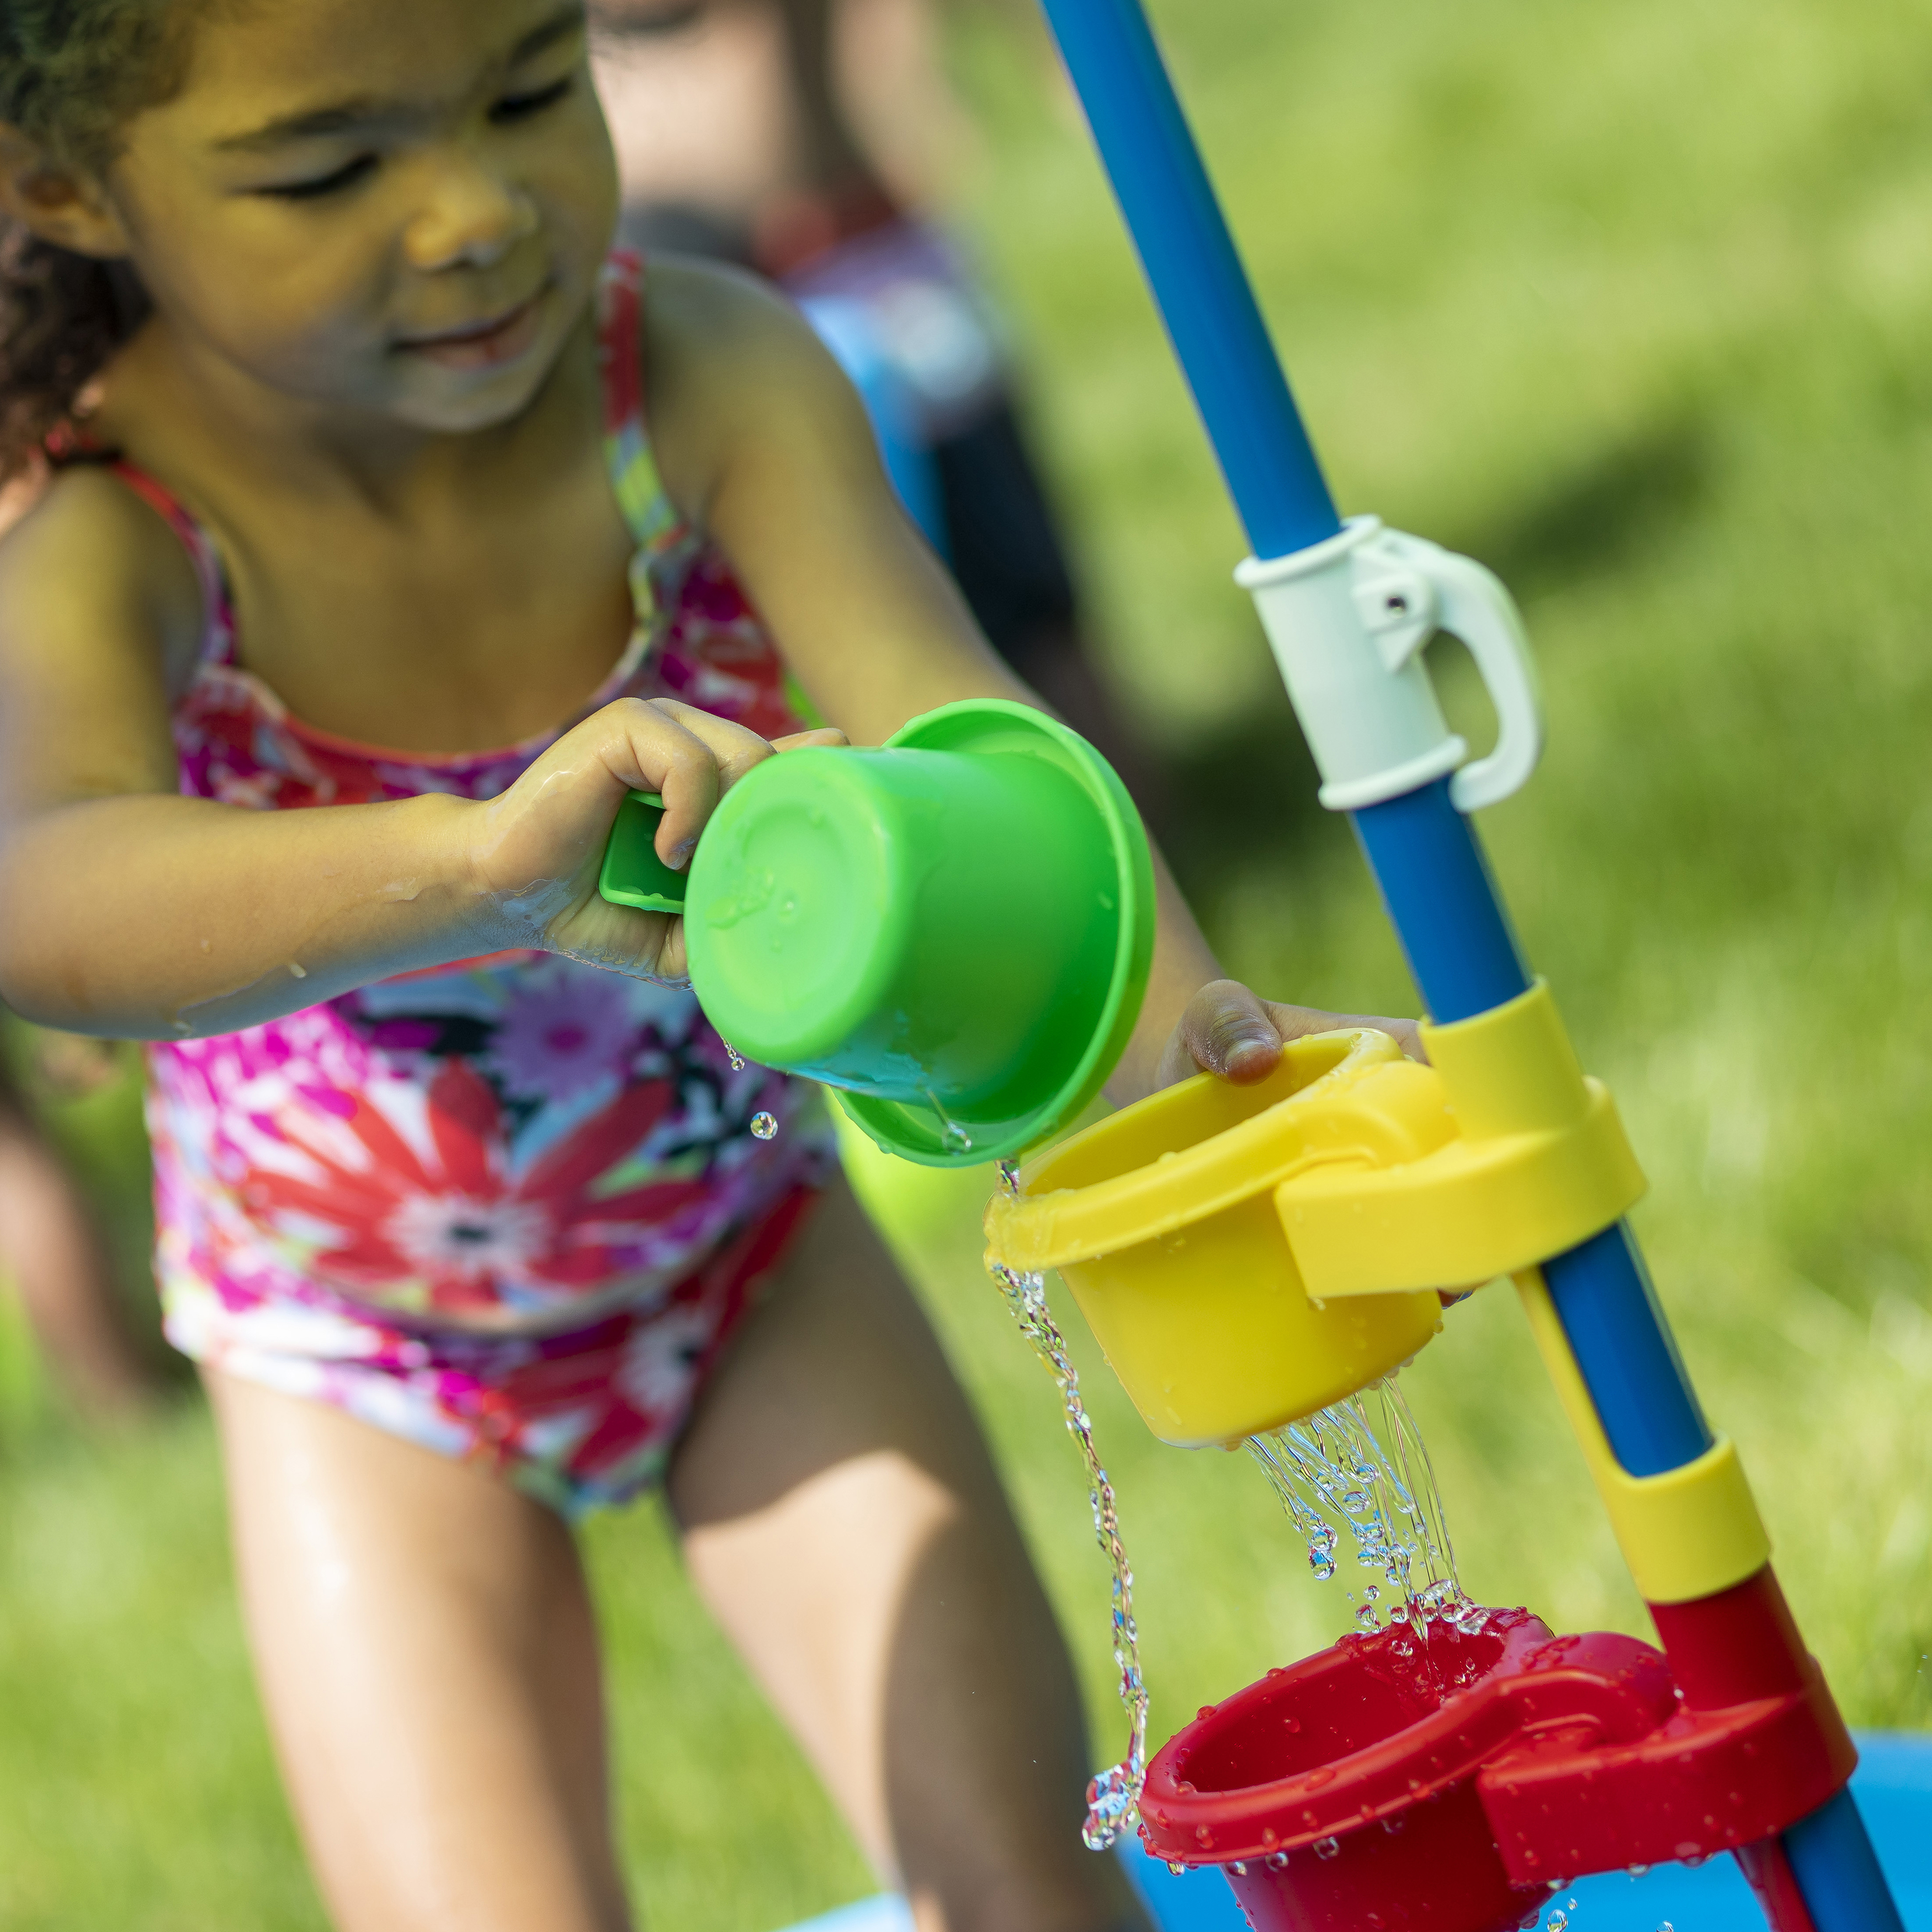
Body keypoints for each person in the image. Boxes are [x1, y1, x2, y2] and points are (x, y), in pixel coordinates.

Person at [0, 5, 1416, 1928]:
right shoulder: (117, 535)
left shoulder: (698, 376)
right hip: (357, 1349)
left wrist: (1196, 1041)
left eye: (527, 89)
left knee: (1032, 1892)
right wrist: (476, 865)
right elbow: (46, 888)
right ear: (65, 184)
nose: (476, 210)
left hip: (749, 1254)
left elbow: (971, 744)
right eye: (330, 168)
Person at [588, 0, 1166, 812]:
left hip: (863, 273)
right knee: (805, 648)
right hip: (711, 301)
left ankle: (1122, 825)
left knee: (1017, 606)